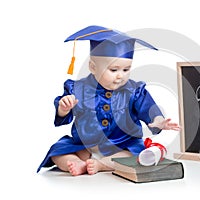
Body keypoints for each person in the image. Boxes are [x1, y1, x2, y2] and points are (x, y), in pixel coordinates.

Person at [37, 25, 180, 176]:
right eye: (114, 70)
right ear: (93, 67)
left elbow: (149, 108)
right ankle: (77, 163)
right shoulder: (78, 89)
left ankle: (101, 165)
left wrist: (158, 121)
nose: (120, 75)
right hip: (84, 147)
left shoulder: (134, 91)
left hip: (121, 147)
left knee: (134, 154)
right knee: (57, 151)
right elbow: (63, 115)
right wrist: (64, 108)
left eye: (126, 70)